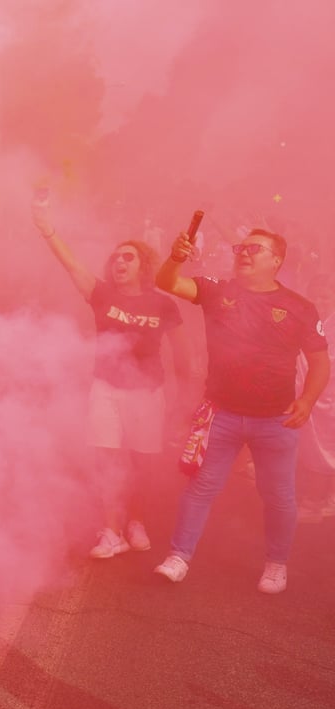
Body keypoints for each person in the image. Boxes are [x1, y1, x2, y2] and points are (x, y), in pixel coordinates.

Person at [154, 228, 329, 593]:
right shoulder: (217, 290)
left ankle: (276, 564)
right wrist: (176, 257)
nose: (244, 253)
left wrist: (307, 400)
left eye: (254, 248)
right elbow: (167, 282)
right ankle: (178, 556)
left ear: (276, 260)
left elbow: (319, 361)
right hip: (222, 413)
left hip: (276, 419)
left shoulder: (299, 306)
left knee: (278, 495)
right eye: (241, 247)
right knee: (202, 485)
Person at [32, 200, 190, 558]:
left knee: (142, 465)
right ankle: (111, 531)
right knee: (108, 462)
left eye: (128, 257)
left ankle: (136, 521)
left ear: (143, 265)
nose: (120, 262)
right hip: (105, 389)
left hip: (148, 393)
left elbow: (183, 355)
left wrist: (185, 401)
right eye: (116, 257)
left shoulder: (164, 304)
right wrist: (47, 230)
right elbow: (71, 264)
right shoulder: (101, 293)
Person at [294, 275, 335, 522]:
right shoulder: (305, 319)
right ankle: (318, 497)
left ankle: (318, 501)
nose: (320, 300)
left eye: (326, 296)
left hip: (329, 397)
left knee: (325, 448)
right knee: (310, 446)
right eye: (316, 295)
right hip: (309, 393)